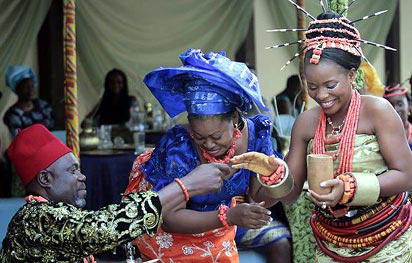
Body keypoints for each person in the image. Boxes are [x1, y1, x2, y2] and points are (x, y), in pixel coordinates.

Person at [231, 11, 412, 263]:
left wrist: (351, 188)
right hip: (330, 244)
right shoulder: (306, 122)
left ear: (351, 75)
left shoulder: (378, 111)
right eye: (312, 87)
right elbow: (290, 193)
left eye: (330, 85)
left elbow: (406, 175)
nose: (322, 95)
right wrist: (275, 175)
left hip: (388, 243)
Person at [123, 49, 291, 263]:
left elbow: (261, 199)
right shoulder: (179, 146)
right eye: (199, 136)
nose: (209, 145)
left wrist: (273, 176)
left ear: (234, 118)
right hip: (168, 235)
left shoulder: (256, 136)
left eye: (216, 136)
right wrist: (227, 217)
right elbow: (168, 219)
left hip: (221, 228)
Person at [0, 124, 231, 263]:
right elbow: (104, 229)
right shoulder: (35, 219)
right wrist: (186, 185)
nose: (82, 177)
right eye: (72, 171)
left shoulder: (53, 217)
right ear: (45, 179)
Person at [3, 65, 54, 137]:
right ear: (18, 90)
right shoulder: (13, 115)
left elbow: (52, 126)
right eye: (26, 87)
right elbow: (19, 138)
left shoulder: (43, 105)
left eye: (32, 86)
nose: (31, 91)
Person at [384, 83, 412, 149]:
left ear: (409, 106)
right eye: (390, 105)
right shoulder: (381, 136)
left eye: (400, 104)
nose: (395, 109)